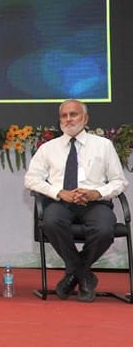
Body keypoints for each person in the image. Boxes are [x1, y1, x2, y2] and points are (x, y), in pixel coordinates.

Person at [24, 99, 127, 302]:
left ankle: (73, 275)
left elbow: (119, 182)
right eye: (64, 115)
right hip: (60, 203)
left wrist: (96, 193)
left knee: (105, 229)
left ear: (85, 118)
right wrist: (59, 192)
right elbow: (30, 179)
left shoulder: (103, 145)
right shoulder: (48, 148)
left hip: (95, 203)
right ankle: (85, 276)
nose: (69, 119)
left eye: (74, 114)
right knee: (50, 222)